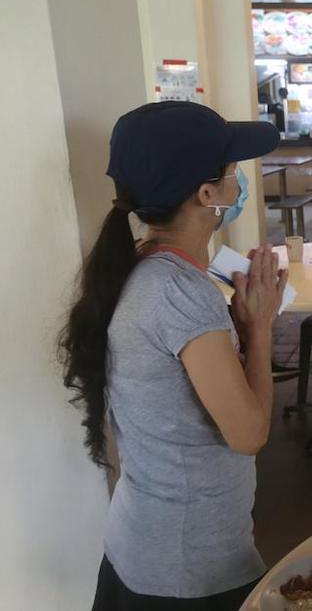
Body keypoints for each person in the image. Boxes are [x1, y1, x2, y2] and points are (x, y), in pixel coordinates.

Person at [59, 101, 286, 609]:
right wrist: (261, 327)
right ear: (208, 195)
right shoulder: (178, 291)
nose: (237, 182)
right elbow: (248, 434)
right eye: (231, 172)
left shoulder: (141, 267)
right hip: (188, 568)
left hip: (148, 546)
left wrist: (242, 331)